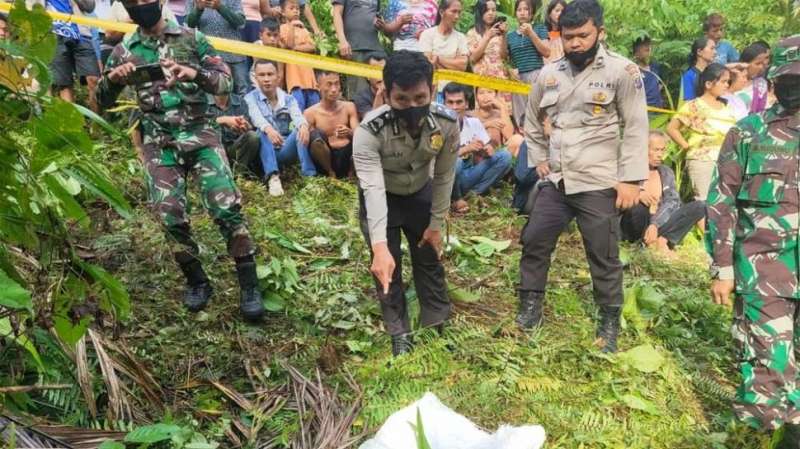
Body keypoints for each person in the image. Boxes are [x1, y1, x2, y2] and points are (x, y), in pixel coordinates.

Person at [96, 0, 265, 321]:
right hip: (160, 145)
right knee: (169, 216)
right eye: (131, 4)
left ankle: (249, 284)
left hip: (201, 136)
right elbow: (101, 100)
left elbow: (225, 81)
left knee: (225, 206)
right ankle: (197, 280)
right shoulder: (125, 50)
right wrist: (114, 81)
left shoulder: (192, 38)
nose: (139, 7)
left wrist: (195, 73)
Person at [517, 0, 648, 353]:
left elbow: (636, 126)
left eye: (582, 36)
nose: (575, 44)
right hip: (558, 179)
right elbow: (531, 119)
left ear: (600, 33)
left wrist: (632, 180)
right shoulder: (550, 73)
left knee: (603, 253)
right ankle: (530, 306)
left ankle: (608, 320)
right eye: (569, 37)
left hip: (598, 180)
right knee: (534, 239)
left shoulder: (622, 71)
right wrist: (540, 159)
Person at [706, 35, 800, 443]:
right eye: (790, 79)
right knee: (767, 368)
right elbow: (720, 202)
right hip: (764, 274)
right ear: (775, 79)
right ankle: (760, 437)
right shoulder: (748, 133)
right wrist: (722, 267)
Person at [353, 50, 459, 356]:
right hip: (382, 194)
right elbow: (372, 188)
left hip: (420, 192)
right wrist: (379, 245)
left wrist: (437, 224)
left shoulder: (447, 124)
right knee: (387, 268)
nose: (412, 107)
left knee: (429, 257)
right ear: (386, 94)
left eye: (419, 98)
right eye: (401, 99)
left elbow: (444, 177)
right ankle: (398, 332)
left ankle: (436, 321)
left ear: (432, 91)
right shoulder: (368, 132)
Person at [620, 131, 705, 255]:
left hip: (657, 224)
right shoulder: (629, 169)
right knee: (639, 208)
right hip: (634, 224)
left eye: (662, 150)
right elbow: (614, 193)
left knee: (699, 206)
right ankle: (642, 244)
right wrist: (637, 194)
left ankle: (662, 240)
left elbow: (672, 202)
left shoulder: (666, 173)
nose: (660, 155)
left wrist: (655, 224)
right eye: (656, 150)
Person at [666, 63, 736, 202]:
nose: (727, 85)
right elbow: (671, 128)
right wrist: (686, 146)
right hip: (703, 160)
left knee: (723, 202)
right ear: (709, 84)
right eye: (723, 81)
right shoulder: (694, 105)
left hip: (726, 160)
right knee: (704, 202)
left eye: (728, 82)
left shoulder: (726, 106)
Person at [244, 59, 314, 196]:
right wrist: (268, 129)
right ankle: (273, 177)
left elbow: (298, 116)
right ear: (255, 78)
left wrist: (304, 126)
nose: (266, 79)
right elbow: (256, 118)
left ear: (278, 77)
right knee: (261, 131)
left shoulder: (288, 99)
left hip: (283, 148)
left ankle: (309, 177)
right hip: (262, 151)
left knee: (301, 129)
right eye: (262, 75)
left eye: (270, 74)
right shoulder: (250, 98)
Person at [443, 83, 512, 214]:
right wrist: (466, 149)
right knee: (455, 163)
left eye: (459, 102)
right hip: (447, 180)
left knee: (505, 156)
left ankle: (473, 195)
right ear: (444, 104)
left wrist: (487, 149)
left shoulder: (473, 122)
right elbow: (437, 159)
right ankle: (456, 198)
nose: (454, 107)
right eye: (450, 102)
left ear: (466, 104)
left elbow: (487, 147)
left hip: (469, 175)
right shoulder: (439, 125)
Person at [30, 0, 101, 111]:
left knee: (94, 80)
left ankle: (97, 125)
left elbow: (90, 7)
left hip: (81, 33)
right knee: (64, 84)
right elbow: (33, 9)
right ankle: (71, 125)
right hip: (53, 33)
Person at [186, 0, 250, 97]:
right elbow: (189, 24)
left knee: (242, 92)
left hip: (234, 55)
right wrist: (198, 9)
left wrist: (220, 7)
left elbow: (240, 23)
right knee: (211, 94)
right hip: (210, 56)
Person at [303, 71, 359, 178]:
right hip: (326, 160)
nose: (333, 89)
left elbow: (360, 135)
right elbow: (307, 144)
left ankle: (351, 173)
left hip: (348, 157)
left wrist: (349, 132)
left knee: (362, 137)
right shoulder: (310, 113)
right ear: (318, 86)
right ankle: (330, 173)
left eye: (336, 84)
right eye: (329, 84)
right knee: (315, 136)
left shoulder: (349, 107)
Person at [506, 0, 549, 127]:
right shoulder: (511, 36)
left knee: (538, 111)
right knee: (520, 114)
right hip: (518, 77)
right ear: (515, 14)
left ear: (532, 14)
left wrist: (531, 33)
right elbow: (506, 59)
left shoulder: (539, 28)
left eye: (526, 9)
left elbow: (546, 52)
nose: (522, 13)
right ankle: (522, 139)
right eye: (519, 10)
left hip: (536, 74)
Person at [332, 0, 386, 97]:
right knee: (359, 93)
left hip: (375, 47)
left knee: (382, 90)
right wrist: (342, 41)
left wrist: (380, 24)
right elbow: (337, 13)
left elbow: (376, 16)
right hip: (354, 47)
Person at [419, 0, 469, 94]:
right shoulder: (427, 34)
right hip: (433, 89)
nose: (457, 16)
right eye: (453, 11)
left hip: (454, 92)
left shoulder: (461, 37)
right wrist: (453, 62)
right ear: (442, 12)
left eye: (459, 12)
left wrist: (438, 59)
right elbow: (428, 65)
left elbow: (462, 66)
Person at [209, 93, 263, 177]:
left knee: (252, 136)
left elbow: (247, 128)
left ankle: (239, 175)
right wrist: (223, 120)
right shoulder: (203, 100)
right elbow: (197, 125)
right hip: (212, 149)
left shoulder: (240, 101)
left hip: (234, 147)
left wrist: (244, 126)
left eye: (228, 79)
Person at [279, 0, 320, 111]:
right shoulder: (282, 28)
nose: (296, 11)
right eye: (291, 8)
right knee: (298, 112)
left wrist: (296, 49)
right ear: (283, 12)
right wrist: (292, 26)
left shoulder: (304, 30)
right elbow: (289, 44)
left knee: (314, 111)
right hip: (294, 82)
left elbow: (312, 47)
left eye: (297, 8)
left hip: (310, 82)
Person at [466, 0, 509, 104]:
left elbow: (504, 57)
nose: (491, 13)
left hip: (499, 79)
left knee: (502, 114)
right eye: (487, 10)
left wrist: (503, 36)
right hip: (481, 81)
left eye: (493, 10)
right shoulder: (472, 33)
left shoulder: (499, 33)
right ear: (480, 12)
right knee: (483, 114)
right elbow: (472, 59)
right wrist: (487, 37)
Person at [734, 42, 771, 114]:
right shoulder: (728, 81)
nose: (761, 67)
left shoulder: (761, 84)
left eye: (762, 64)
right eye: (757, 64)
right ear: (745, 63)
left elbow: (761, 110)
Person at [632, 35, 664, 109]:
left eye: (649, 47)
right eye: (645, 48)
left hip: (658, 110)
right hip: (643, 111)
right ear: (636, 53)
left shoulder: (655, 66)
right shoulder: (634, 71)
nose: (648, 48)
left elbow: (660, 84)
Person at [353, 53, 387, 120]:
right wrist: (380, 94)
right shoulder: (360, 98)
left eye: (383, 70)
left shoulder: (395, 91)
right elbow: (372, 123)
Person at [682, 37, 715, 101]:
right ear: (699, 52)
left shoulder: (714, 72)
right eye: (712, 48)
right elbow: (689, 102)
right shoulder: (689, 76)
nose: (715, 52)